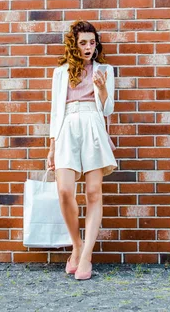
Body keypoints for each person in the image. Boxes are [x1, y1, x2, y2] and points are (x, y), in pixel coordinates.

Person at [47, 20, 117, 280]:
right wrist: (52, 146)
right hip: (67, 128)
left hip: (93, 126)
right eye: (83, 43)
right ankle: (76, 245)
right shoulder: (61, 72)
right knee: (65, 190)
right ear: (74, 46)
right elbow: (56, 111)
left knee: (93, 192)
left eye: (92, 42)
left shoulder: (105, 70)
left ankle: (86, 256)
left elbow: (108, 110)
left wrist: (101, 90)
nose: (89, 47)